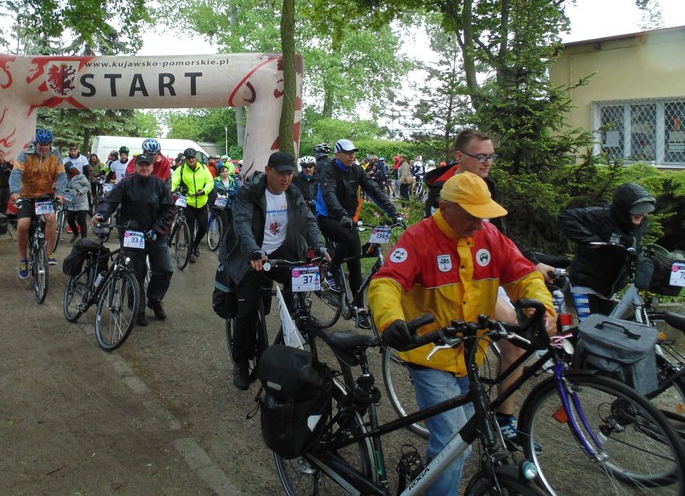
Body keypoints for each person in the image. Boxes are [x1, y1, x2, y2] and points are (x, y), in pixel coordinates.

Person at [369, 172, 556, 496]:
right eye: (471, 215)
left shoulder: (490, 236)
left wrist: (541, 311)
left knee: (462, 440)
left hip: (470, 355)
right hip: (430, 356)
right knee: (454, 446)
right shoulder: (419, 238)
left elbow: (524, 276)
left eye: (483, 214)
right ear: (445, 208)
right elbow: (387, 281)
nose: (479, 222)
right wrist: (391, 321)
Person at [221, 151, 328, 390]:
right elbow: (242, 224)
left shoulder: (293, 192)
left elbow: (308, 220)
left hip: (281, 252)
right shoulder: (249, 193)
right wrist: (253, 251)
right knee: (247, 311)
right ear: (268, 170)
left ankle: (288, 335)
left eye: (290, 173)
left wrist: (319, 245)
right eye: (281, 173)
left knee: (298, 295)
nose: (286, 179)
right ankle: (241, 362)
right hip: (252, 254)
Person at [315, 139, 401, 329]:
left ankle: (359, 310)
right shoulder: (328, 169)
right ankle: (331, 270)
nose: (352, 155)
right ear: (337, 155)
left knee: (355, 263)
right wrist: (342, 215)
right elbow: (329, 195)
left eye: (353, 152)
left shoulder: (357, 170)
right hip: (328, 217)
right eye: (347, 153)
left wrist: (393, 212)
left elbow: (374, 190)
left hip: (347, 219)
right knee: (347, 238)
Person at [92, 153, 176, 326]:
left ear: (152, 167)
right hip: (132, 235)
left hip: (155, 236)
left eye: (147, 165)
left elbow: (169, 210)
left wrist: (156, 230)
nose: (144, 168)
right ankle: (138, 309)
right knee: (135, 273)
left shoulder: (160, 185)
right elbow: (110, 201)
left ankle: (154, 299)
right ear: (135, 166)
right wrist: (102, 214)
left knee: (165, 269)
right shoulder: (126, 183)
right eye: (141, 165)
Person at [559, 182, 656, 317]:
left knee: (604, 327)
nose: (641, 216)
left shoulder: (641, 223)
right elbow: (567, 217)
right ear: (623, 209)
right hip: (586, 281)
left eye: (644, 212)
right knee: (588, 326)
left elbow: (633, 246)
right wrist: (589, 239)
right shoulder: (602, 215)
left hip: (610, 286)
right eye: (636, 212)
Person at [9, 129, 68, 279]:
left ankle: (49, 253)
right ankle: (23, 260)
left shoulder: (56, 155)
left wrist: (60, 194)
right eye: (41, 145)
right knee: (23, 224)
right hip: (26, 196)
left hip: (45, 195)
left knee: (51, 218)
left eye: (46, 145)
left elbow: (62, 176)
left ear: (50, 144)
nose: (43, 148)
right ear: (36, 143)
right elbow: (16, 173)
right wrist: (15, 192)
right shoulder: (26, 154)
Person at [171, 147, 215, 264]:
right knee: (189, 229)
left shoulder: (203, 168)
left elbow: (210, 182)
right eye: (188, 158)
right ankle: (190, 251)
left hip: (202, 202)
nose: (191, 160)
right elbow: (174, 182)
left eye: (193, 157)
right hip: (188, 203)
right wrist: (170, 190)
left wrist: (204, 191)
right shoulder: (181, 169)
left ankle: (195, 244)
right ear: (185, 159)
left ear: (196, 158)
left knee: (203, 227)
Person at [64, 163, 91, 244]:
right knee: (70, 221)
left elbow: (88, 186)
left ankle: (84, 240)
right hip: (71, 203)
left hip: (81, 203)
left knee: (81, 221)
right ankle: (75, 233)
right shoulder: (66, 178)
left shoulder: (80, 177)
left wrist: (81, 191)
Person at [0, 149, 13, 213]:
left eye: (1, 154)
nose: (0, 156)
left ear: (4, 155)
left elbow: (14, 173)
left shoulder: (8, 164)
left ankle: (2, 216)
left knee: (5, 203)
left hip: (6, 187)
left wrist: (10, 171)